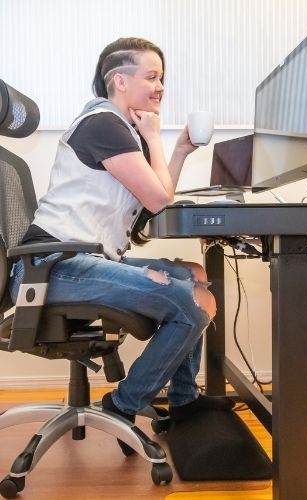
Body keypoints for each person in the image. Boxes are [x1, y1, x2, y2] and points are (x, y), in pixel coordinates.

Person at [9, 37, 234, 422]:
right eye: (152, 77)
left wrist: (176, 151)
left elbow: (152, 201)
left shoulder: (119, 132)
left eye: (162, 78)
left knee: (194, 275)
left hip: (73, 263)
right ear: (120, 81)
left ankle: (183, 398)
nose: (161, 87)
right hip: (51, 269)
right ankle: (124, 403)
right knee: (192, 303)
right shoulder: (103, 125)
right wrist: (154, 139)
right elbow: (160, 200)